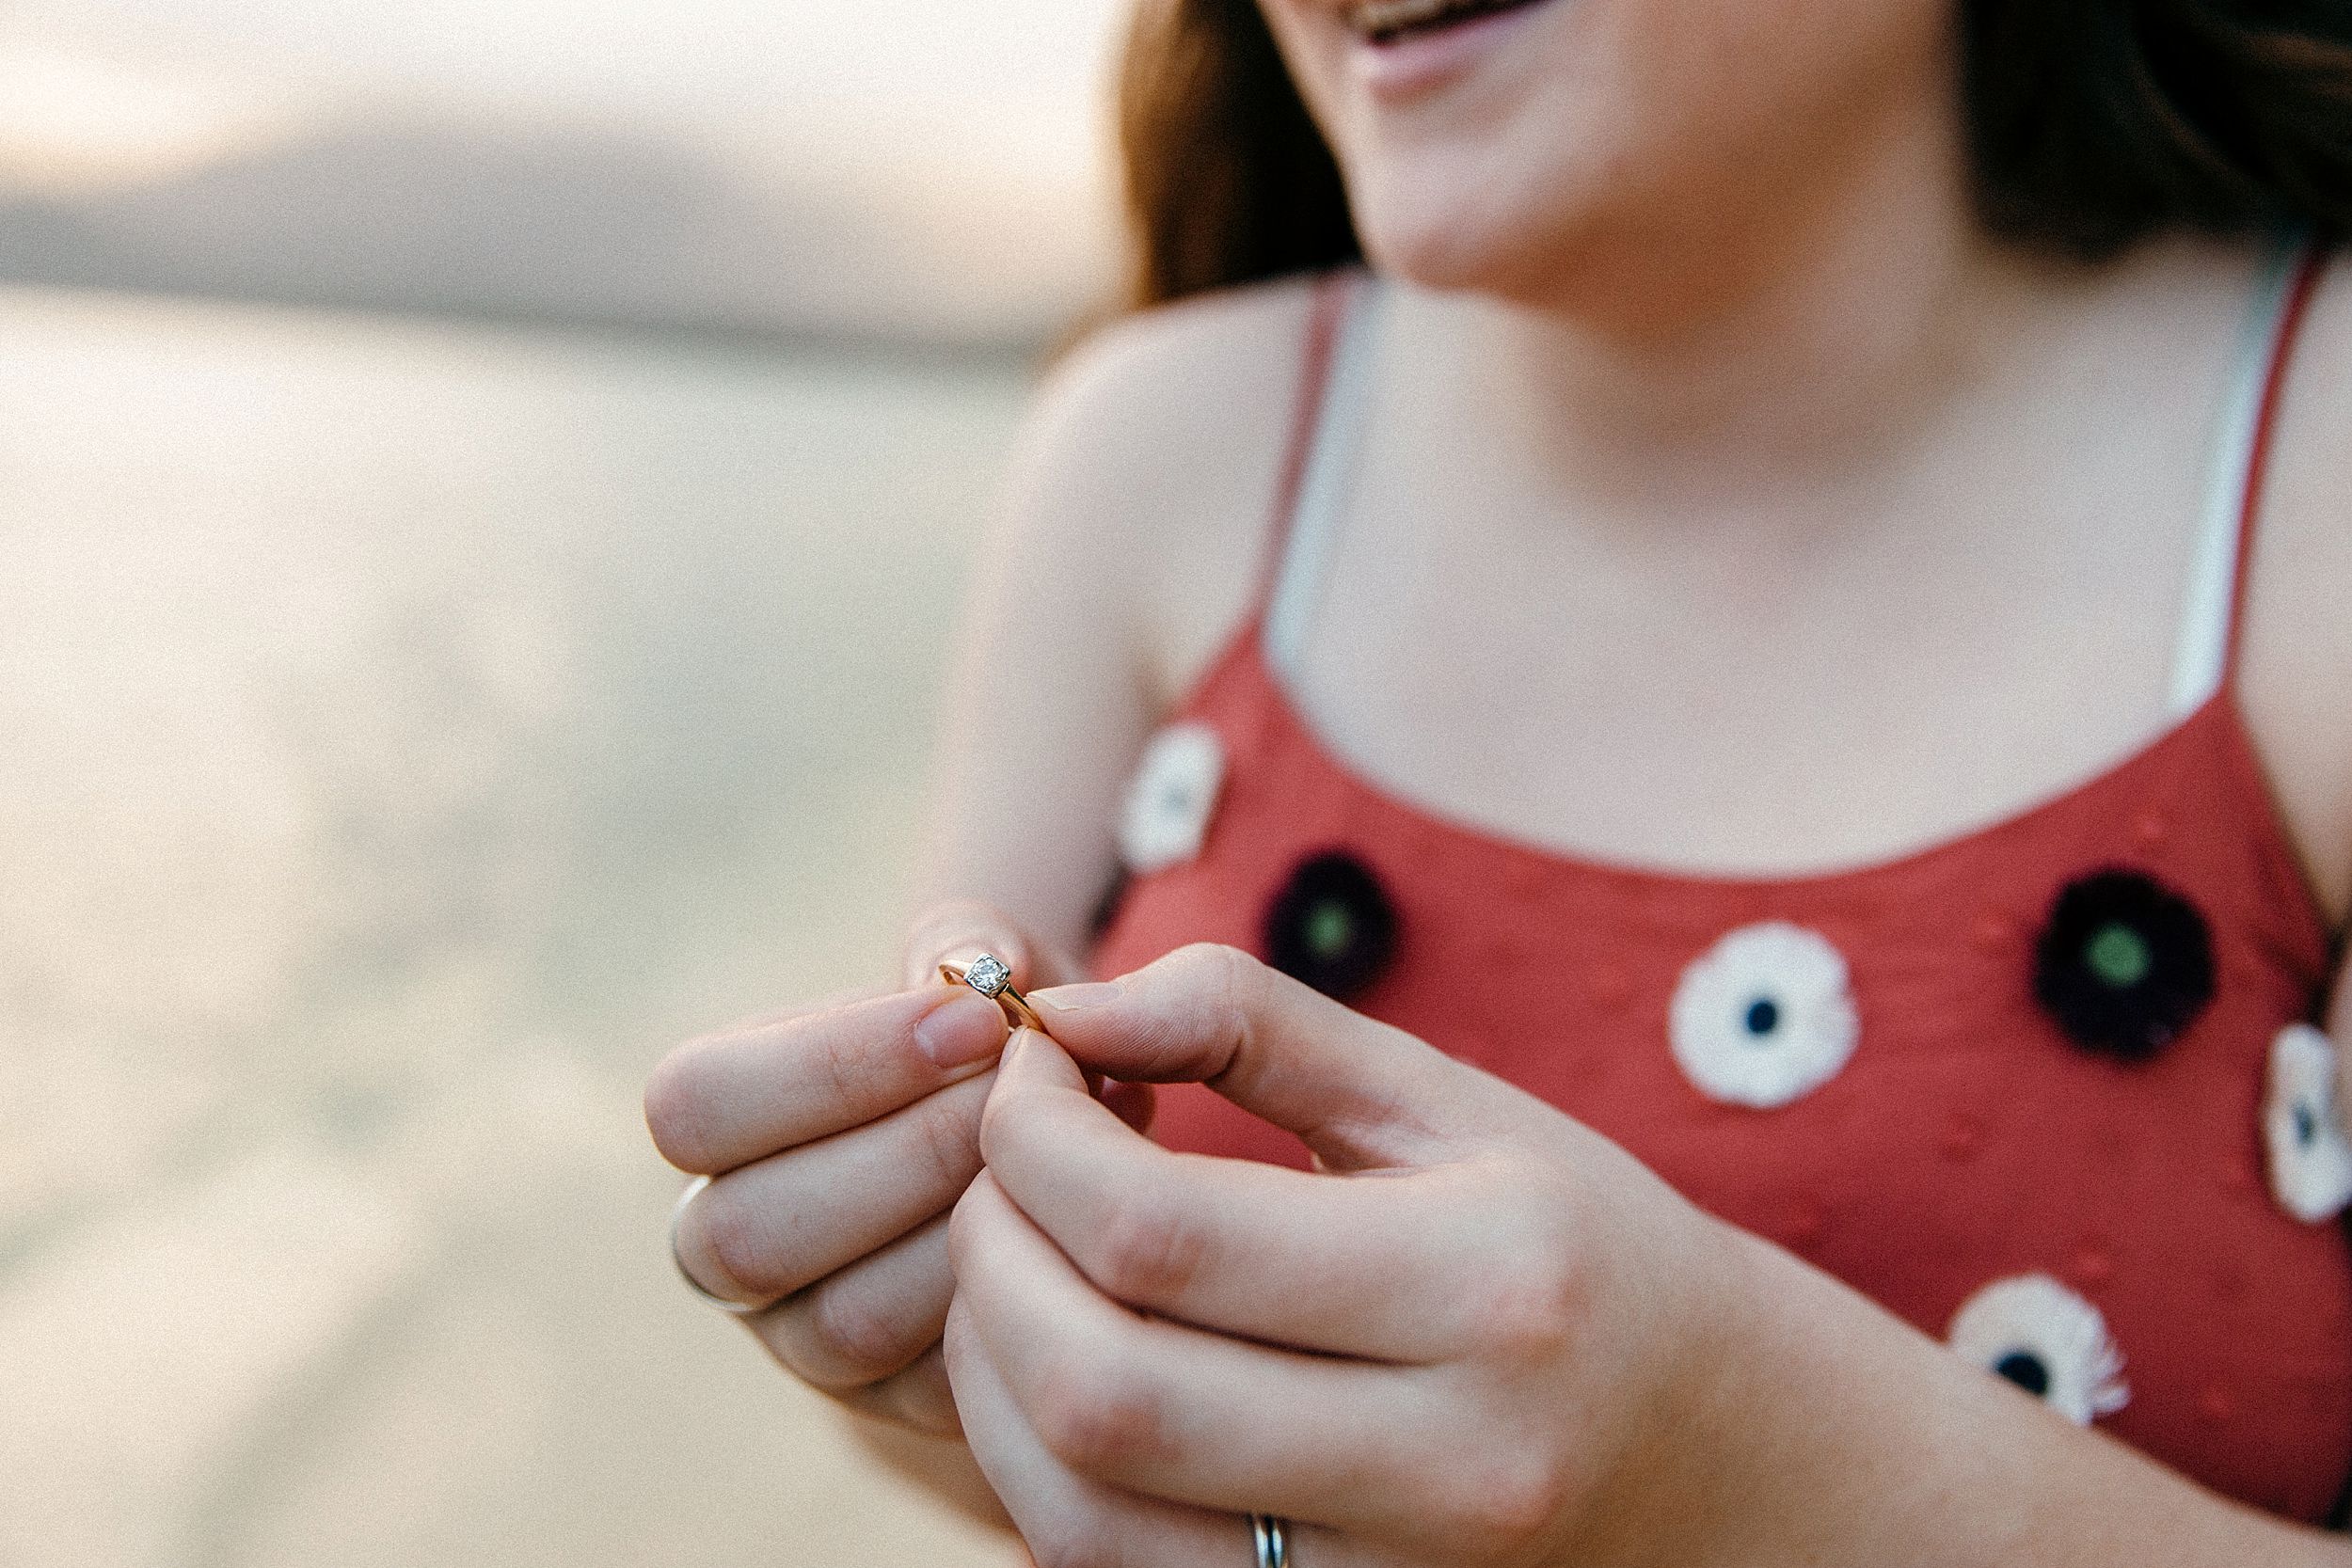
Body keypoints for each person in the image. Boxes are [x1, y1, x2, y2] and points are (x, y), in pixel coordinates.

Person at [646, 0, 2352, 1560]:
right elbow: (996, 1449)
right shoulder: (1154, 454)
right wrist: (927, 1325)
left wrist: (1731, 1454)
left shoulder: (2311, 474)